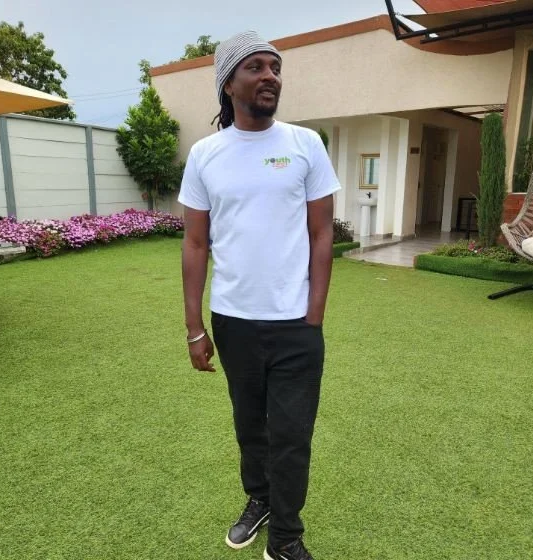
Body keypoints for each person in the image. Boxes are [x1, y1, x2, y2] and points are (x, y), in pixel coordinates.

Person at [179, 30, 340, 560]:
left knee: (292, 435)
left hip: (296, 324)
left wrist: (314, 312)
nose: (271, 75)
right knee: (250, 427)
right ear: (228, 84)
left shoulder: (304, 144)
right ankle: (261, 499)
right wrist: (195, 328)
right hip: (234, 322)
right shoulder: (206, 155)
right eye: (256, 67)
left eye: (275, 67)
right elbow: (195, 242)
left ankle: (286, 539)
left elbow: (322, 232)